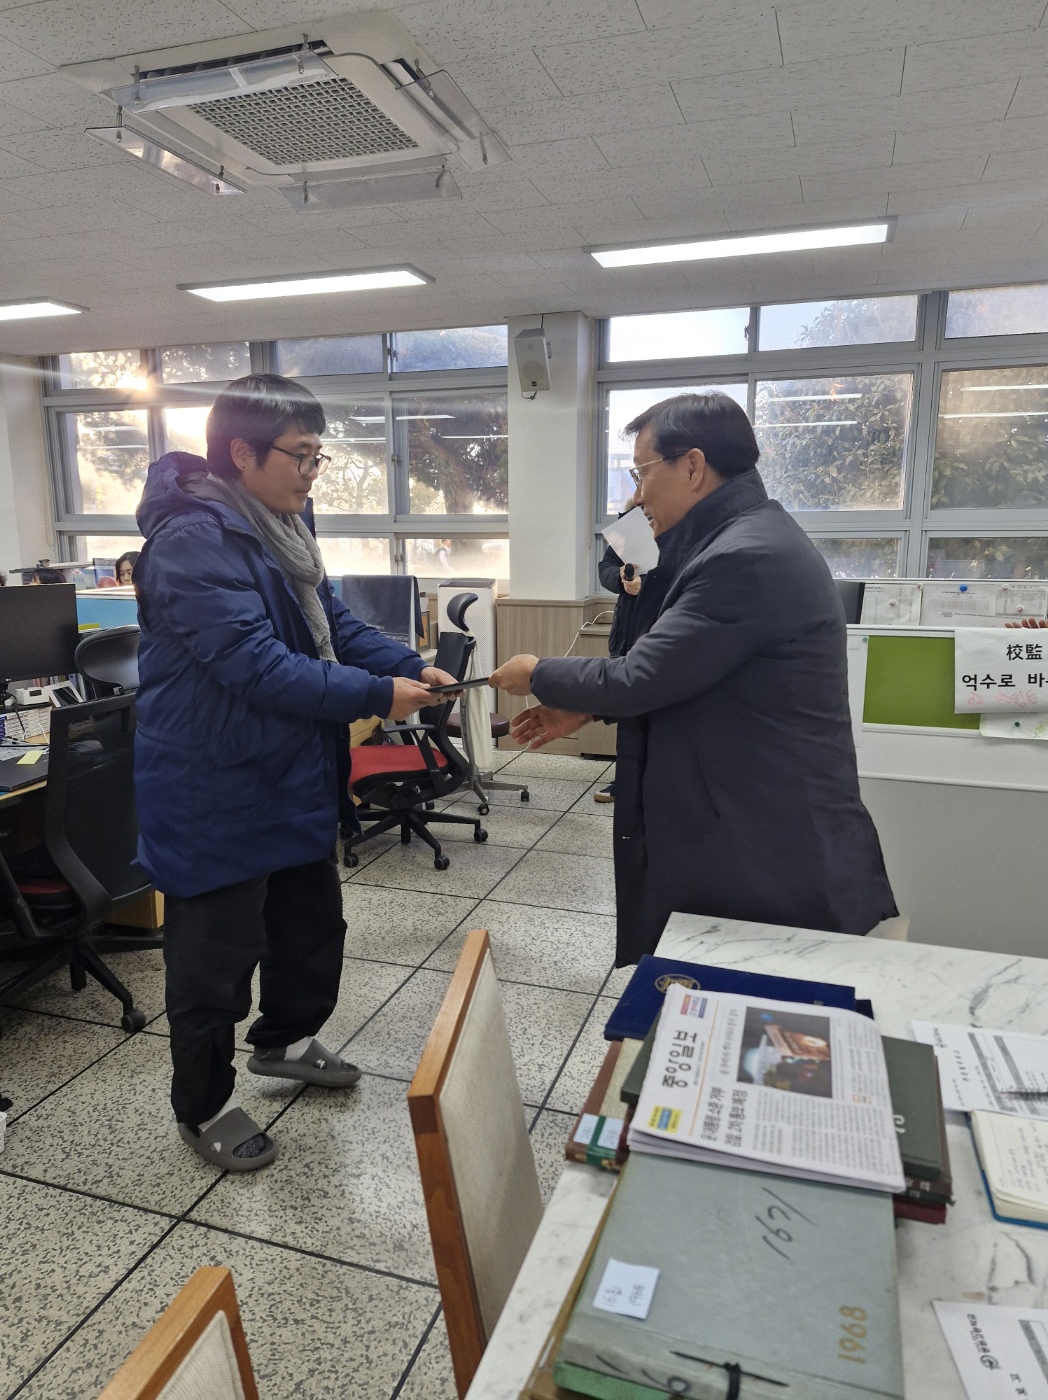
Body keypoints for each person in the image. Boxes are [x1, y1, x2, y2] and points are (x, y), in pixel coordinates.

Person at [133, 373, 459, 1172]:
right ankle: (203, 1105)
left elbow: (331, 625)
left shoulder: (280, 523)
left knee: (309, 929)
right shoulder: (191, 540)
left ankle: (284, 1040)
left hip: (288, 774)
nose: (313, 473)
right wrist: (378, 694)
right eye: (301, 456)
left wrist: (406, 663)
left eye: (319, 456)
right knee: (214, 962)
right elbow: (257, 665)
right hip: (214, 786)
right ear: (241, 453)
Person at [492, 392, 897, 967]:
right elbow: (688, 673)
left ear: (693, 466)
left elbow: (641, 677)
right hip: (745, 823)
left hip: (768, 847)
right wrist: (588, 707)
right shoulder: (739, 538)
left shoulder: (745, 556)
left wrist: (538, 672)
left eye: (642, 472)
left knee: (755, 1004)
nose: (637, 495)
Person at [594, 488, 645, 803]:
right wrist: (622, 579)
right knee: (626, 713)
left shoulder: (677, 527)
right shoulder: (629, 527)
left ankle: (649, 781)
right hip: (625, 632)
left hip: (654, 631)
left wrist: (644, 584)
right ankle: (624, 780)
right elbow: (605, 568)